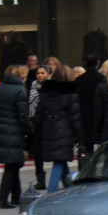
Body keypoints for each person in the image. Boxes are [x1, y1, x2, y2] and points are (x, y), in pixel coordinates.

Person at [0, 64, 31, 209]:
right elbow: (22, 115)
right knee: (11, 166)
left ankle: (16, 197)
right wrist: (30, 130)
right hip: (14, 131)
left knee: (13, 164)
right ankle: (3, 199)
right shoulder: (20, 90)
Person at [34, 63, 81, 192]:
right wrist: (80, 135)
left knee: (61, 160)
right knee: (59, 161)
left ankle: (68, 189)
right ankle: (51, 191)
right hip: (65, 132)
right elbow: (74, 116)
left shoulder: (45, 93)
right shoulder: (71, 94)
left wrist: (37, 131)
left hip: (48, 131)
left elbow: (38, 114)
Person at [74, 53, 104, 162]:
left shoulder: (79, 80)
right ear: (98, 63)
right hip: (98, 116)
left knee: (87, 148)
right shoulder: (102, 79)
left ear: (84, 63)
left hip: (84, 117)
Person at [28, 63, 51, 190]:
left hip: (46, 122)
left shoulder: (50, 87)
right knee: (37, 153)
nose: (40, 75)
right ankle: (40, 180)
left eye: (43, 73)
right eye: (38, 73)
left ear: (48, 74)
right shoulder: (33, 86)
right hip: (34, 121)